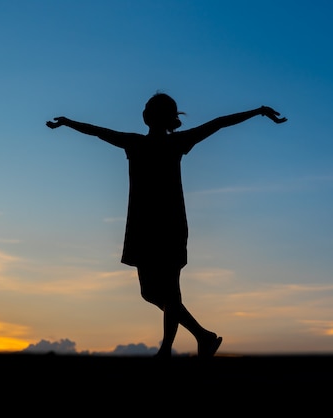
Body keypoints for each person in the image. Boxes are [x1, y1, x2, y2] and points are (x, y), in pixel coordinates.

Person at [46, 93, 287, 358]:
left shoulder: (165, 142)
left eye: (149, 108)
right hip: (144, 225)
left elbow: (219, 123)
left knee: (170, 291)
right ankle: (203, 336)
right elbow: (98, 132)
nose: (146, 111)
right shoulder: (137, 142)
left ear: (152, 116)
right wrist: (68, 122)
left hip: (166, 224)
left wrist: (258, 111)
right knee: (150, 292)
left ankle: (166, 349)